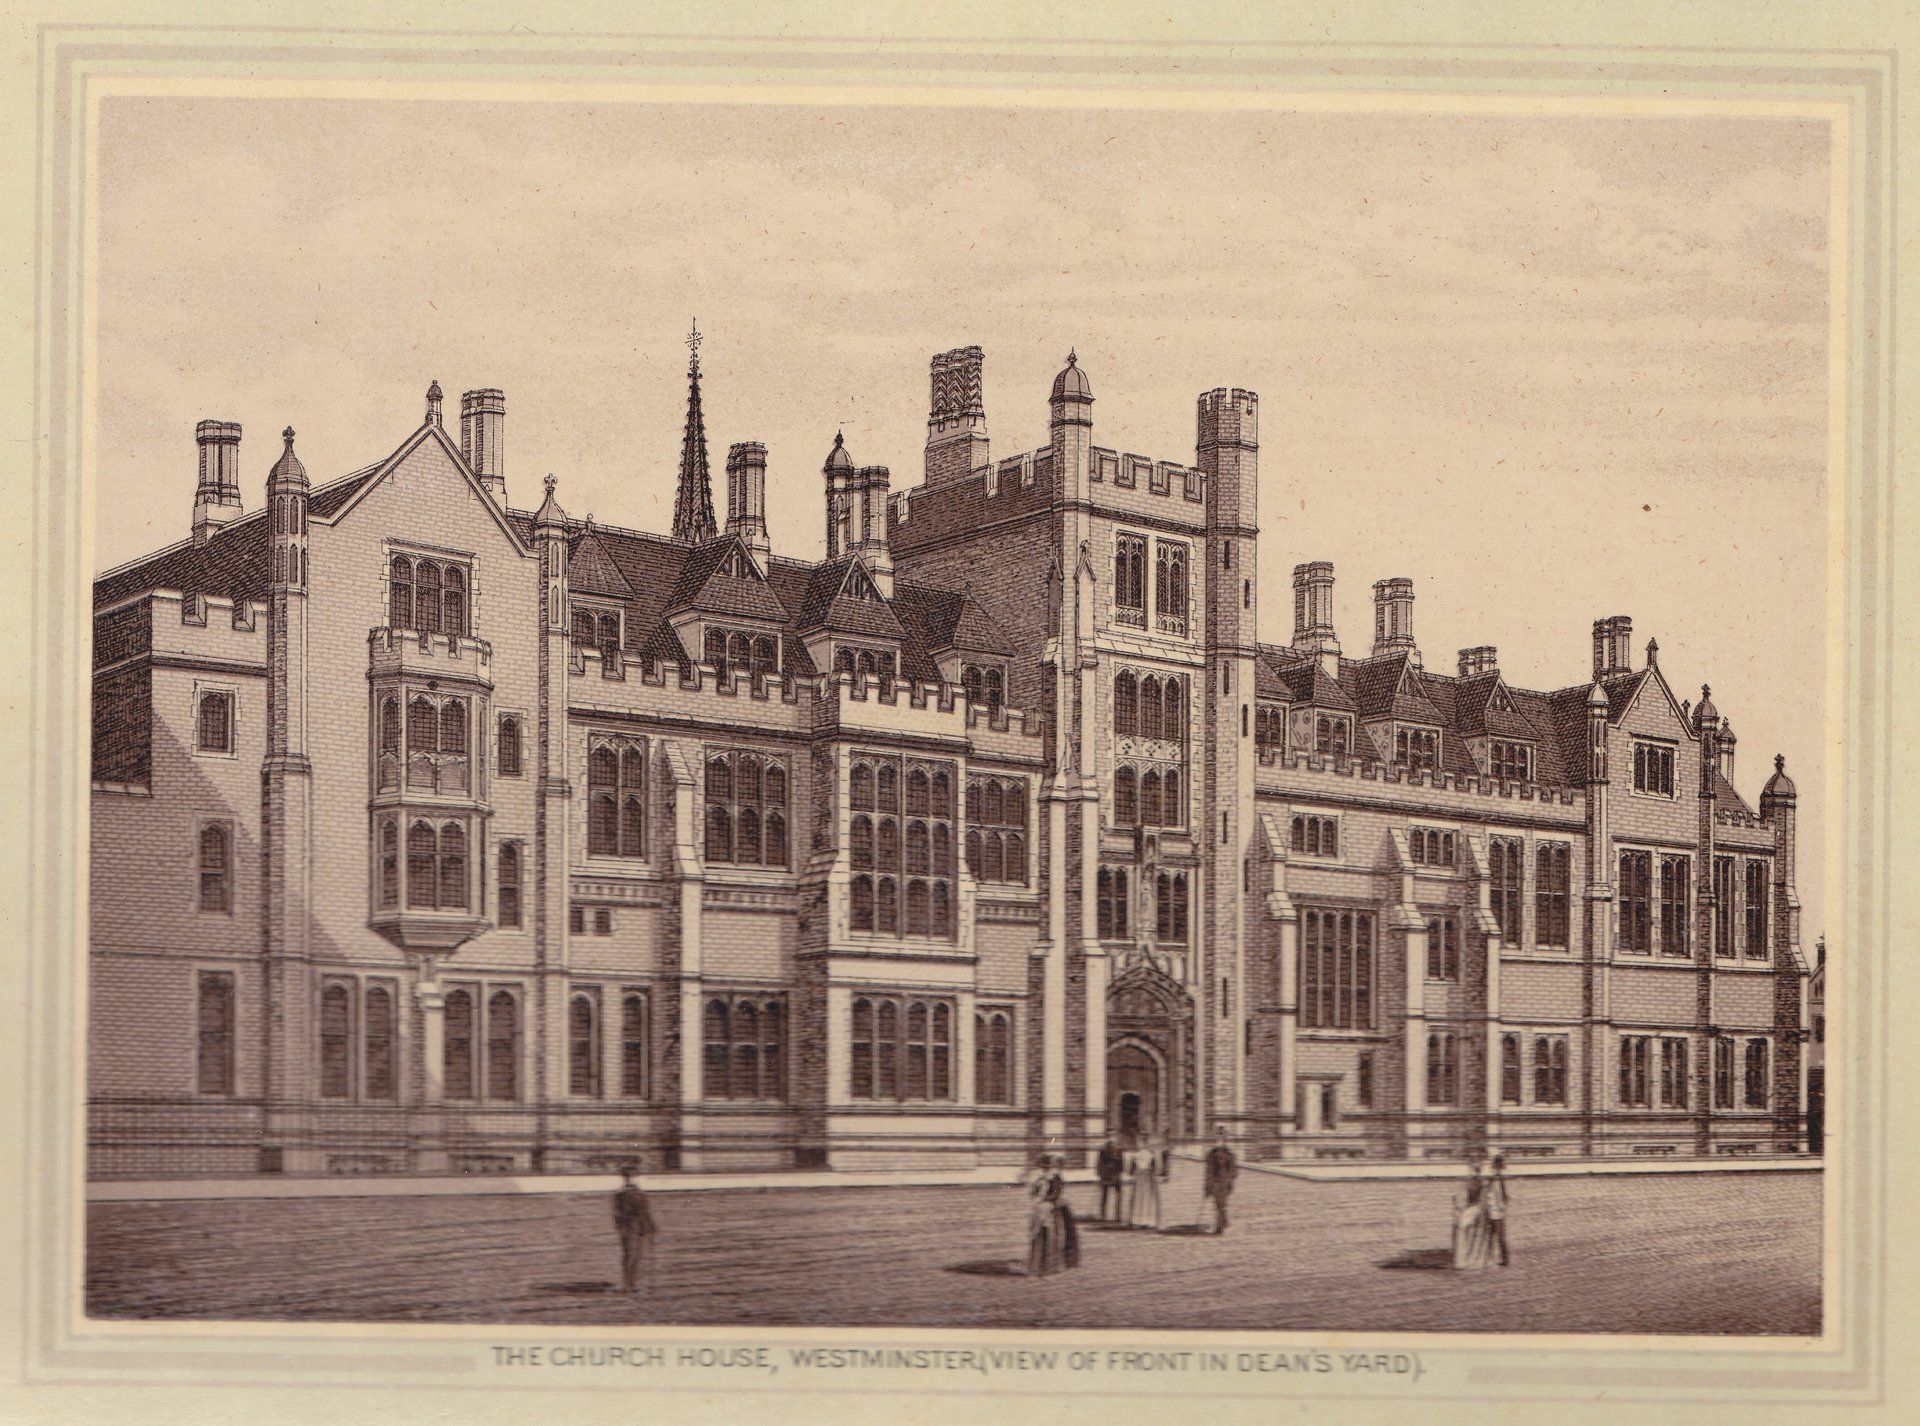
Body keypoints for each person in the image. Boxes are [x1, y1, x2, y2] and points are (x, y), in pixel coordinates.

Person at [612, 1165, 657, 1294]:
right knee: (629, 1256)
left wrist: (651, 1226)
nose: (630, 1179)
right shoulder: (620, 1194)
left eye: (633, 1177)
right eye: (628, 1177)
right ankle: (627, 1284)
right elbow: (618, 1213)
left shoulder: (640, 1193)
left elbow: (645, 1211)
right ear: (624, 1178)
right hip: (629, 1228)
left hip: (640, 1228)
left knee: (638, 1256)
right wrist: (622, 1227)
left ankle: (634, 1283)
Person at [1451, 1154, 1495, 1270]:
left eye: (1471, 1168)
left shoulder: (1472, 1182)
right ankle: (1470, 1258)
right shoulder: (1479, 1182)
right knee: (1461, 1224)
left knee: (1461, 1225)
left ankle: (1462, 1260)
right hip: (1476, 1209)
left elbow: (1465, 1199)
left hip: (1474, 1209)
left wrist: (1458, 1206)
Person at [1202, 1129, 1237, 1235]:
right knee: (1218, 1205)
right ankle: (1222, 1224)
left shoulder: (1229, 1154)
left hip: (1224, 1183)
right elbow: (1208, 1171)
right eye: (1217, 1138)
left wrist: (1227, 1181)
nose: (1218, 1140)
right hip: (1215, 1182)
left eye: (1221, 1138)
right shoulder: (1211, 1154)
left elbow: (1233, 1171)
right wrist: (1207, 1185)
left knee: (1221, 1205)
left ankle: (1221, 1226)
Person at [1483, 1152, 1512, 1266]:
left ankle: (1491, 1259)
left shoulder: (1495, 1179)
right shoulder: (1496, 1179)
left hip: (1494, 1212)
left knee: (1493, 1237)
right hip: (1496, 1212)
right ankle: (1502, 1260)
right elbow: (1505, 1196)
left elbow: (1502, 1196)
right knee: (1497, 1237)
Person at [1126, 1140, 1162, 1229]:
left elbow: (1130, 1171)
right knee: (1147, 1198)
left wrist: (1135, 1172)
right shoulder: (1151, 1155)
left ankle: (1137, 1220)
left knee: (1139, 1198)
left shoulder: (1135, 1156)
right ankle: (1148, 1220)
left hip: (1139, 1178)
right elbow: (1156, 1170)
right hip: (1148, 1178)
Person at [1096, 1139, 1125, 1222]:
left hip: (1115, 1176)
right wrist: (1101, 1175)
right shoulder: (1103, 1149)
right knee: (1104, 1196)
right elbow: (1100, 1163)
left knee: (1118, 1196)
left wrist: (1118, 1174)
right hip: (1106, 1176)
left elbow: (1121, 1164)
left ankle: (1118, 1215)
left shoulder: (1118, 1149)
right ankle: (1103, 1215)